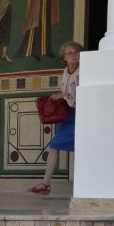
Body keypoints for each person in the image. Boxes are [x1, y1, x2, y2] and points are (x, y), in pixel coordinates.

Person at [30, 41, 81, 195]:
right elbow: (65, 90)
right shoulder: (66, 71)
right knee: (54, 147)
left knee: (82, 148)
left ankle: (85, 184)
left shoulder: (85, 71)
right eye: (69, 53)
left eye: (76, 52)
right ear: (64, 57)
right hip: (69, 115)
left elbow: (84, 92)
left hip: (81, 114)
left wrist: (63, 95)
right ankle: (46, 184)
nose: (73, 55)